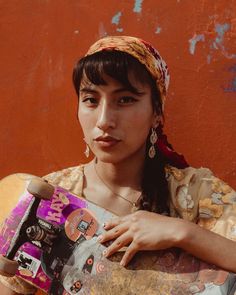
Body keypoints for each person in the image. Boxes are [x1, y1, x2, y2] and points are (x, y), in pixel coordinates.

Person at [1, 35, 236, 294]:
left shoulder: (195, 192)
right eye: (91, 100)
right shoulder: (51, 199)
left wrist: (182, 232)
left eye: (124, 100)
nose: (104, 120)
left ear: (157, 113)